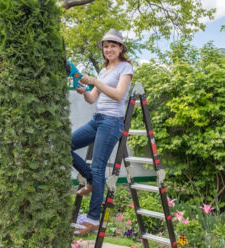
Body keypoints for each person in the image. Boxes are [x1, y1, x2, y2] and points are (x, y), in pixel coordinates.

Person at [71, 28, 133, 236]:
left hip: (112, 122)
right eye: (106, 46)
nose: (108, 49)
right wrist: (83, 92)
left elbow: (118, 95)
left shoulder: (125, 68)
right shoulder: (103, 71)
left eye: (113, 46)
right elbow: (93, 98)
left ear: (120, 48)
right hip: (97, 120)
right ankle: (90, 181)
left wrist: (95, 82)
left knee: (98, 168)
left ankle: (92, 219)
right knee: (65, 145)